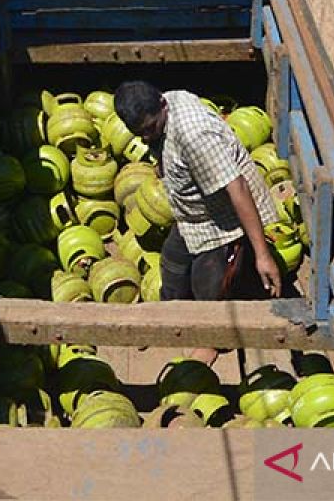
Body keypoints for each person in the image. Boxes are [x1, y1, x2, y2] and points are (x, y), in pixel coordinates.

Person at [114, 81, 282, 365]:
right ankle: (167, 319)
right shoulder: (165, 107)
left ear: (162, 105)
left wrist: (263, 255)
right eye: (139, 133)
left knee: (207, 281)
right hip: (191, 214)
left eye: (150, 129)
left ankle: (210, 340)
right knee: (172, 264)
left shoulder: (195, 137)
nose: (145, 138)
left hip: (223, 219)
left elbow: (237, 189)